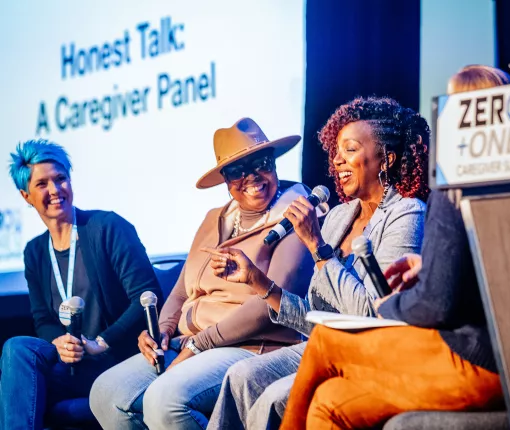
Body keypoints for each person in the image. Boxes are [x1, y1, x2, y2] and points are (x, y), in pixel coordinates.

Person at [279, 66, 510, 429]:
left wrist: (391, 304)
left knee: (325, 343)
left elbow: (435, 304)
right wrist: (428, 265)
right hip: (497, 356)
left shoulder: (449, 188)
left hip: (476, 359)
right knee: (329, 402)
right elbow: (494, 269)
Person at [207, 96, 430, 430]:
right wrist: (256, 280)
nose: (337, 160)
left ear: (387, 158)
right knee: (241, 376)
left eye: (350, 149)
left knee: (274, 398)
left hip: (366, 353)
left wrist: (317, 246)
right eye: (336, 150)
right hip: (321, 344)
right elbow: (314, 317)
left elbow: (371, 315)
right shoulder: (339, 216)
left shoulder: (406, 213)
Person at [89, 118, 319, 429]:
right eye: (238, 170)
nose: (252, 176)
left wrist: (201, 344)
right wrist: (161, 332)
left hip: (250, 346)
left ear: (275, 165)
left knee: (165, 400)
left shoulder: (296, 215)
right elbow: (183, 289)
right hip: (189, 342)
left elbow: (270, 304)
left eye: (261, 163)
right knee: (106, 393)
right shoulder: (216, 218)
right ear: (225, 179)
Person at [0, 139, 162, 430]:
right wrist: (59, 342)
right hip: (73, 366)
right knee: (17, 348)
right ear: (26, 196)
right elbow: (43, 320)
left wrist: (101, 343)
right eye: (42, 184)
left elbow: (146, 296)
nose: (54, 190)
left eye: (60, 179)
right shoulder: (35, 252)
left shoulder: (107, 228)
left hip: (116, 361)